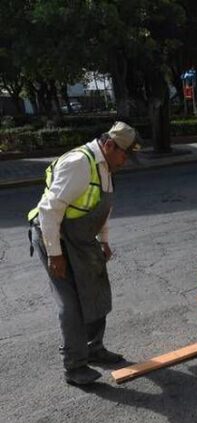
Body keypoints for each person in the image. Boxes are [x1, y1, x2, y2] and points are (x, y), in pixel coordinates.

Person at [27, 121, 141, 386]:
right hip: (54, 235)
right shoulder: (79, 163)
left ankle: (93, 348)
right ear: (109, 145)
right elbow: (49, 211)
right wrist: (55, 254)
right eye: (124, 154)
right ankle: (75, 366)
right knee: (71, 303)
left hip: (81, 237)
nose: (125, 161)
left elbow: (102, 209)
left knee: (97, 288)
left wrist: (104, 240)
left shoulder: (107, 165)